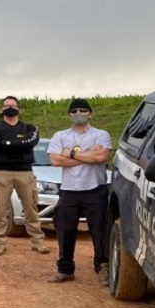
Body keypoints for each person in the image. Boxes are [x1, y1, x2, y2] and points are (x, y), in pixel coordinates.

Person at [46, 98, 111, 285]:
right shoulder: (60, 136)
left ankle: (103, 268)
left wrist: (71, 154)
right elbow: (56, 161)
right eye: (74, 111)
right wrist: (88, 156)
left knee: (99, 231)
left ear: (90, 114)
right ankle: (65, 270)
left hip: (95, 189)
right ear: (69, 115)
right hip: (69, 190)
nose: (78, 113)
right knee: (65, 230)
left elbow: (101, 156)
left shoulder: (101, 134)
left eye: (83, 110)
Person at [0, 96, 50, 256]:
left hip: (25, 173)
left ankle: (38, 242)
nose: (10, 108)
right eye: (6, 106)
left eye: (13, 105)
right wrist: (18, 143)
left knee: (31, 209)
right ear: (1, 110)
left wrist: (7, 143)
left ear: (19, 109)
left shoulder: (31, 128)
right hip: (2, 173)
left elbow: (31, 142)